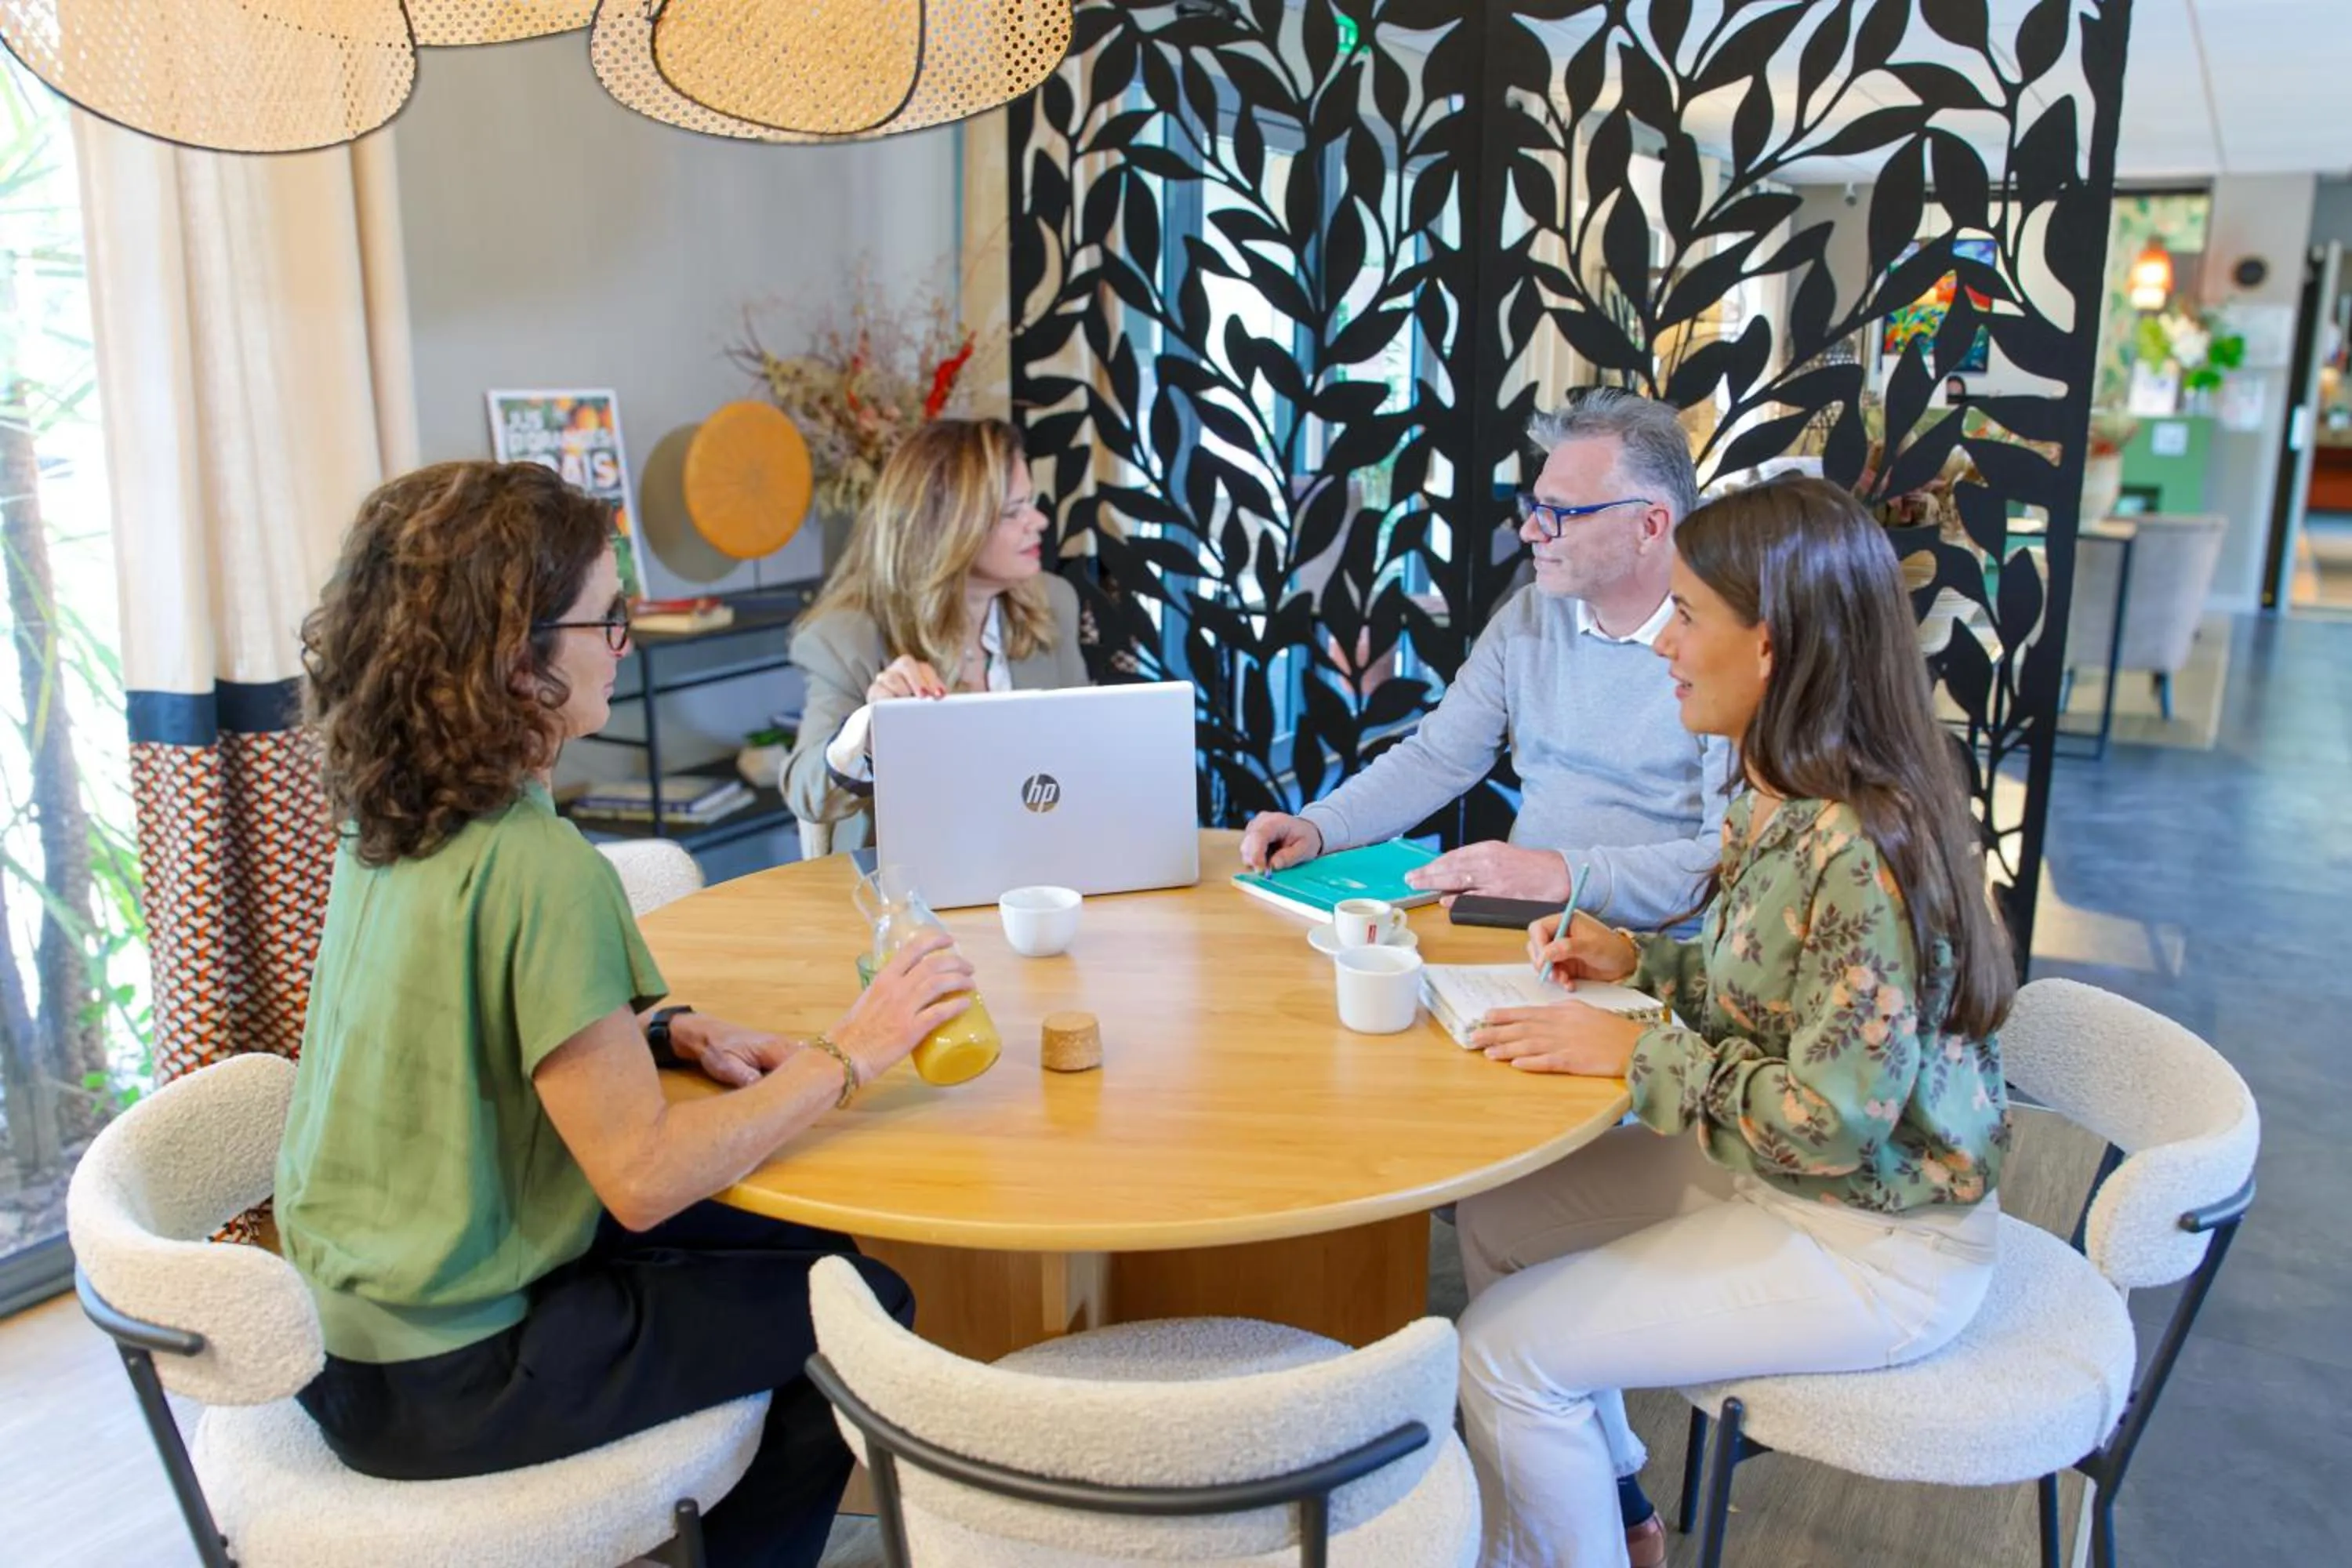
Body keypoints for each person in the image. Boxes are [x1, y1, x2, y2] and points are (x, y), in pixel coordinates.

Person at [279, 461, 978, 1568]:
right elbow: (644, 1178)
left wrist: (661, 1030)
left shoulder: (394, 814)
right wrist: (855, 1048)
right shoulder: (537, 864)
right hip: (448, 1374)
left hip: (341, 1329)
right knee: (863, 1306)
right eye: (609, 620)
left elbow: (463, 1029)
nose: (626, 643)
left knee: (805, 1244)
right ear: (518, 659)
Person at [1446, 475, 2015, 1568]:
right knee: (1501, 1219)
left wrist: (1636, 1045)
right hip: (1792, 1183)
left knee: (1503, 1355)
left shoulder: (1861, 847)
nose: (1664, 642)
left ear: (1772, 645)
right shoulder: (1783, 795)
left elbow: (1828, 1122)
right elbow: (1776, 991)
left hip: (1878, 1239)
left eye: (1689, 614)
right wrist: (1644, 961)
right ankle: (1616, 1519)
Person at [1239, 389, 1734, 930]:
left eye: (1559, 513)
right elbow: (1438, 758)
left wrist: (1563, 875)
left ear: (1650, 526)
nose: (1529, 531)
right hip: (1523, 931)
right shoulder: (1531, 617)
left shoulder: (1727, 649)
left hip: (1657, 957)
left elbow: (1727, 858)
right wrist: (1321, 827)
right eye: (1533, 507)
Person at [784, 417, 1089, 851]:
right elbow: (805, 791)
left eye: (1031, 503)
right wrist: (866, 735)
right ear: (950, 529)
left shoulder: (1053, 602)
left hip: (1044, 865)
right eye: (1012, 512)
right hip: (915, 890)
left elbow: (1082, 752)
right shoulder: (845, 637)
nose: (1038, 521)